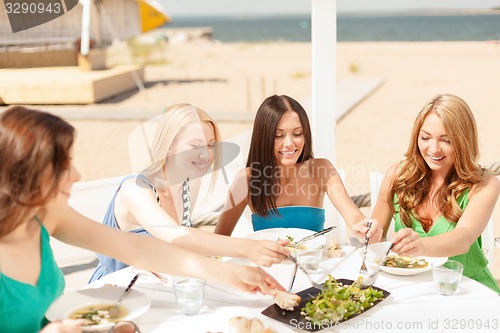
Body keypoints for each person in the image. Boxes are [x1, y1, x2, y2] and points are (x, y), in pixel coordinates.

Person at [0, 106, 285, 333]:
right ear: (27, 171)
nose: (77, 175)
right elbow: (174, 236)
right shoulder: (134, 188)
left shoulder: (49, 215)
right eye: (64, 165)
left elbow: (137, 248)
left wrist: (233, 275)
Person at [89, 103, 289, 282]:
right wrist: (248, 248)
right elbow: (179, 236)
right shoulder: (135, 189)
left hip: (159, 285)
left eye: (211, 145)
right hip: (115, 292)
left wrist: (259, 250)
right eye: (195, 146)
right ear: (168, 145)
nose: (206, 154)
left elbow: (182, 248)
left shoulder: (191, 183)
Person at [371, 94, 500, 292]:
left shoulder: (485, 184)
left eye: (446, 140)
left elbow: (464, 238)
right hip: (411, 290)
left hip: (467, 289)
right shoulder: (397, 175)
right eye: (425, 138)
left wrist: (420, 246)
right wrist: (366, 232)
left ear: (463, 141)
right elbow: (375, 235)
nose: (434, 149)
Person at [214, 94, 381, 241]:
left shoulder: (322, 170)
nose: (289, 143)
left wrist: (368, 228)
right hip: (267, 270)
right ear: (263, 137)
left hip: (313, 268)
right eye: (278, 135)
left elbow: (355, 218)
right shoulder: (247, 180)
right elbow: (218, 240)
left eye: (297, 133)